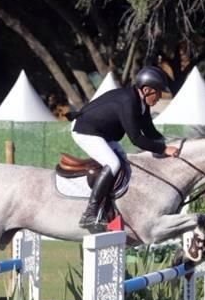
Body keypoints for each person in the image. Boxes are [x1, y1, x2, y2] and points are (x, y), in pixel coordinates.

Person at [69, 66, 181, 232]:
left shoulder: (141, 102)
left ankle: (113, 207)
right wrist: (163, 149)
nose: (159, 97)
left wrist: (169, 143)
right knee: (113, 163)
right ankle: (90, 213)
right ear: (147, 90)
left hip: (103, 134)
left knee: (126, 162)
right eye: (158, 92)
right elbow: (137, 139)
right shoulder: (128, 102)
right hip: (85, 131)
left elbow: (149, 130)